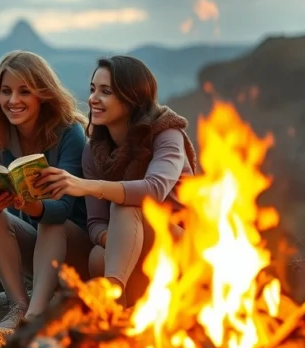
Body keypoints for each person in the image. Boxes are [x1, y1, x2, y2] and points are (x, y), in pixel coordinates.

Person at [32, 55, 196, 307]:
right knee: (98, 255)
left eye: (105, 91)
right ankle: (120, 320)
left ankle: (112, 294)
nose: (93, 99)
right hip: (130, 247)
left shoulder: (167, 134)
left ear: (132, 98)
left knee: (125, 203)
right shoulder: (95, 150)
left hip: (180, 247)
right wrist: (121, 240)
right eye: (92, 89)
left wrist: (87, 186)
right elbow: (96, 223)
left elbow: (153, 190)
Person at [0, 51, 88, 329]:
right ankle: (18, 306)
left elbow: (63, 210)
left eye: (24, 91)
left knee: (52, 222)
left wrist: (32, 204)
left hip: (77, 250)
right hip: (37, 253)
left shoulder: (69, 132)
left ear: (43, 94)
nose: (13, 101)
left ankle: (34, 318)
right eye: (6, 92)